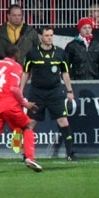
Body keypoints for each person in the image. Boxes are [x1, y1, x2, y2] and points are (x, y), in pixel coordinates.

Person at [0, 45, 42, 173]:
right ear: (16, 55)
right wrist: (25, 104)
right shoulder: (15, 66)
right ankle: (29, 157)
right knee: (27, 126)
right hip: (8, 104)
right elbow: (14, 88)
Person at [20, 26, 77, 162]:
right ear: (41, 37)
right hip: (37, 93)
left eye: (51, 35)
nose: (49, 38)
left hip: (55, 92)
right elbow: (26, 73)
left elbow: (65, 73)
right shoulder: (32, 53)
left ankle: (70, 153)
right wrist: (20, 91)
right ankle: (27, 154)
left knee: (63, 121)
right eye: (47, 35)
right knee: (31, 123)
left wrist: (69, 90)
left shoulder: (60, 53)